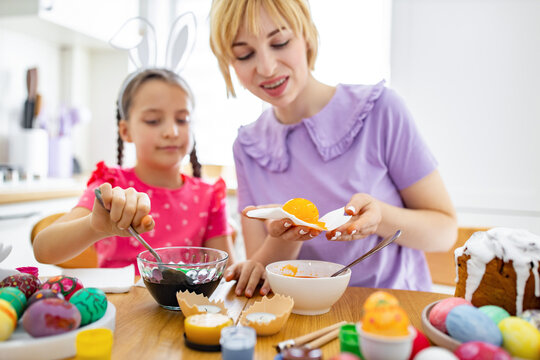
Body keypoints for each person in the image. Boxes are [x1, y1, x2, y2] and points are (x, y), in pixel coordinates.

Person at [209, 0, 457, 297]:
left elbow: (444, 232)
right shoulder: (248, 147)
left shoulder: (381, 110)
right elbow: (263, 271)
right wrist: (286, 239)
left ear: (307, 36)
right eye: (244, 54)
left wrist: (380, 218)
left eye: (280, 42)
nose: (266, 67)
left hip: (389, 317)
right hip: (300, 318)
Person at [33, 69, 236, 271]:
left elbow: (226, 273)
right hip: (118, 303)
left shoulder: (209, 196)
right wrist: (93, 227)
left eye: (182, 120)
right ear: (125, 131)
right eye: (153, 121)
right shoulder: (110, 187)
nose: (172, 132)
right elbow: (43, 249)